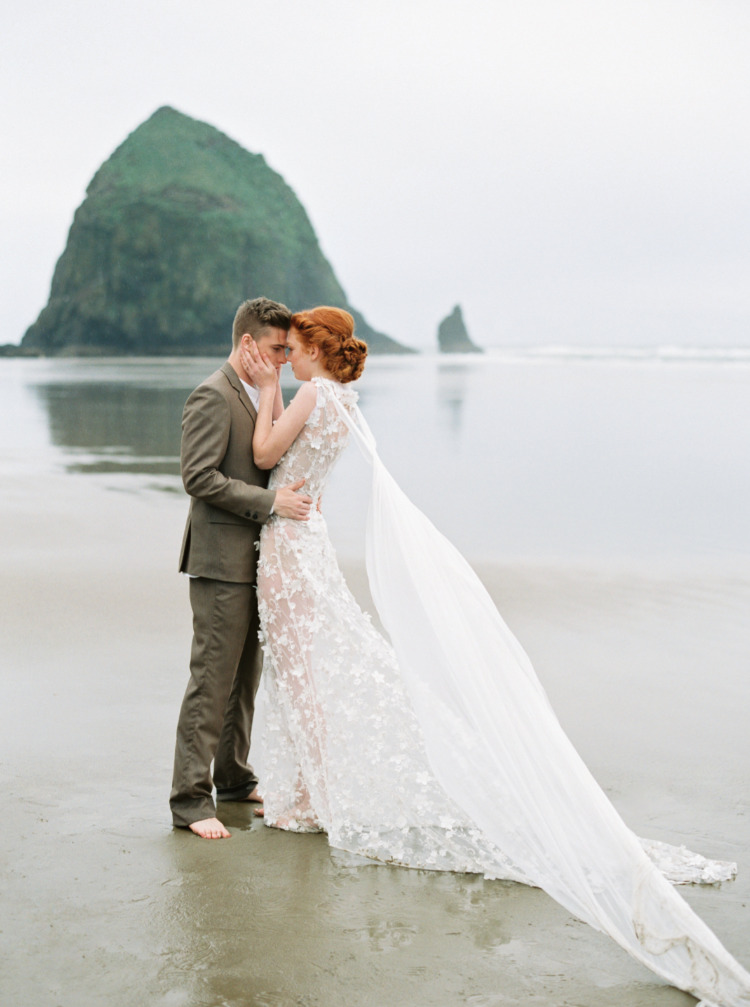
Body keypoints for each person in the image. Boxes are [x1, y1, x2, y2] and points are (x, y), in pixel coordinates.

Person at [242, 305, 750, 1005]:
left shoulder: (310, 393)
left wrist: (266, 389)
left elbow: (266, 456)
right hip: (312, 535)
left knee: (303, 671)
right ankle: (307, 792)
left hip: (291, 547)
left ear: (317, 349)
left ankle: (307, 797)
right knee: (308, 669)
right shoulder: (346, 400)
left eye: (294, 347)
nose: (287, 356)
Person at [169, 296, 313, 840]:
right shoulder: (211, 395)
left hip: (253, 563)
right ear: (248, 343)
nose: (282, 360)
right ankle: (189, 800)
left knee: (243, 682)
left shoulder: (251, 395)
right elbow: (199, 477)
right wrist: (272, 504)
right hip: (218, 563)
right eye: (277, 349)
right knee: (211, 681)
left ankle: (232, 779)